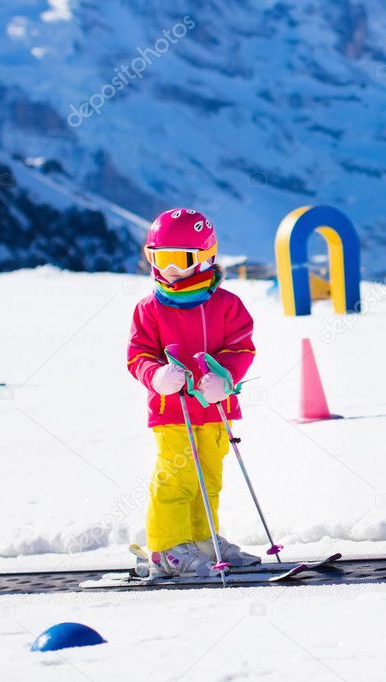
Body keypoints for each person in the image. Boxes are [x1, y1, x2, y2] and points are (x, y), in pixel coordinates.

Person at [126, 208, 258, 577]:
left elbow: (241, 348)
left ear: (205, 258)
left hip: (215, 409)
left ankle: (203, 541)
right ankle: (167, 548)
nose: (168, 269)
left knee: (209, 477)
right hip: (172, 409)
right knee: (177, 475)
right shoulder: (149, 310)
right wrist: (156, 376)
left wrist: (225, 377)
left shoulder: (227, 305)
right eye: (159, 258)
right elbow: (138, 356)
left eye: (179, 260)